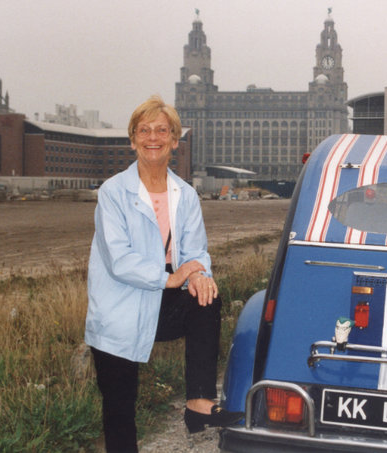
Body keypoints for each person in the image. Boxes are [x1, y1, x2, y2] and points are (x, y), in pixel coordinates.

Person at [85, 95, 243, 452]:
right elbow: (119, 260)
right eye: (144, 130)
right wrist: (169, 277)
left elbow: (196, 251)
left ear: (174, 140)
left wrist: (198, 275)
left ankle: (198, 402)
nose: (152, 137)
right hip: (120, 311)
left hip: (161, 307)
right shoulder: (113, 193)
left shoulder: (185, 195)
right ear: (133, 139)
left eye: (162, 130)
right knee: (120, 410)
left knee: (207, 296)